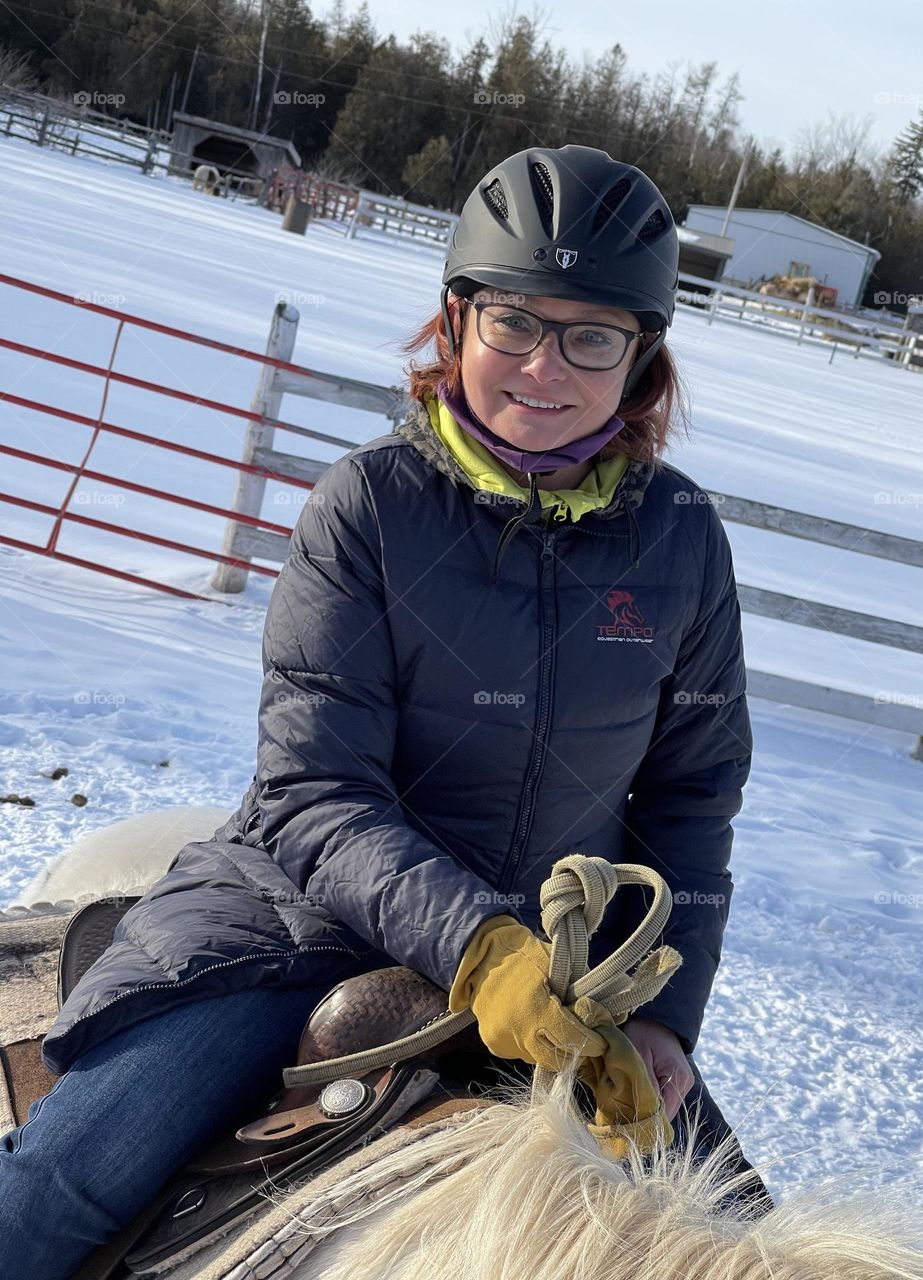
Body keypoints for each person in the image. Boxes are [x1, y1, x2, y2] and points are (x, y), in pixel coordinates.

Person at [0, 144, 772, 1278]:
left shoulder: (683, 541)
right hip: (300, 925)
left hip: (558, 986)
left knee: (753, 1246)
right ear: (455, 322)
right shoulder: (367, 508)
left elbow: (692, 794)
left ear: (641, 358)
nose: (545, 367)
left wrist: (664, 1014)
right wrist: (479, 950)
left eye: (592, 335)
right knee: (58, 1185)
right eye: (515, 321)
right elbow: (317, 790)